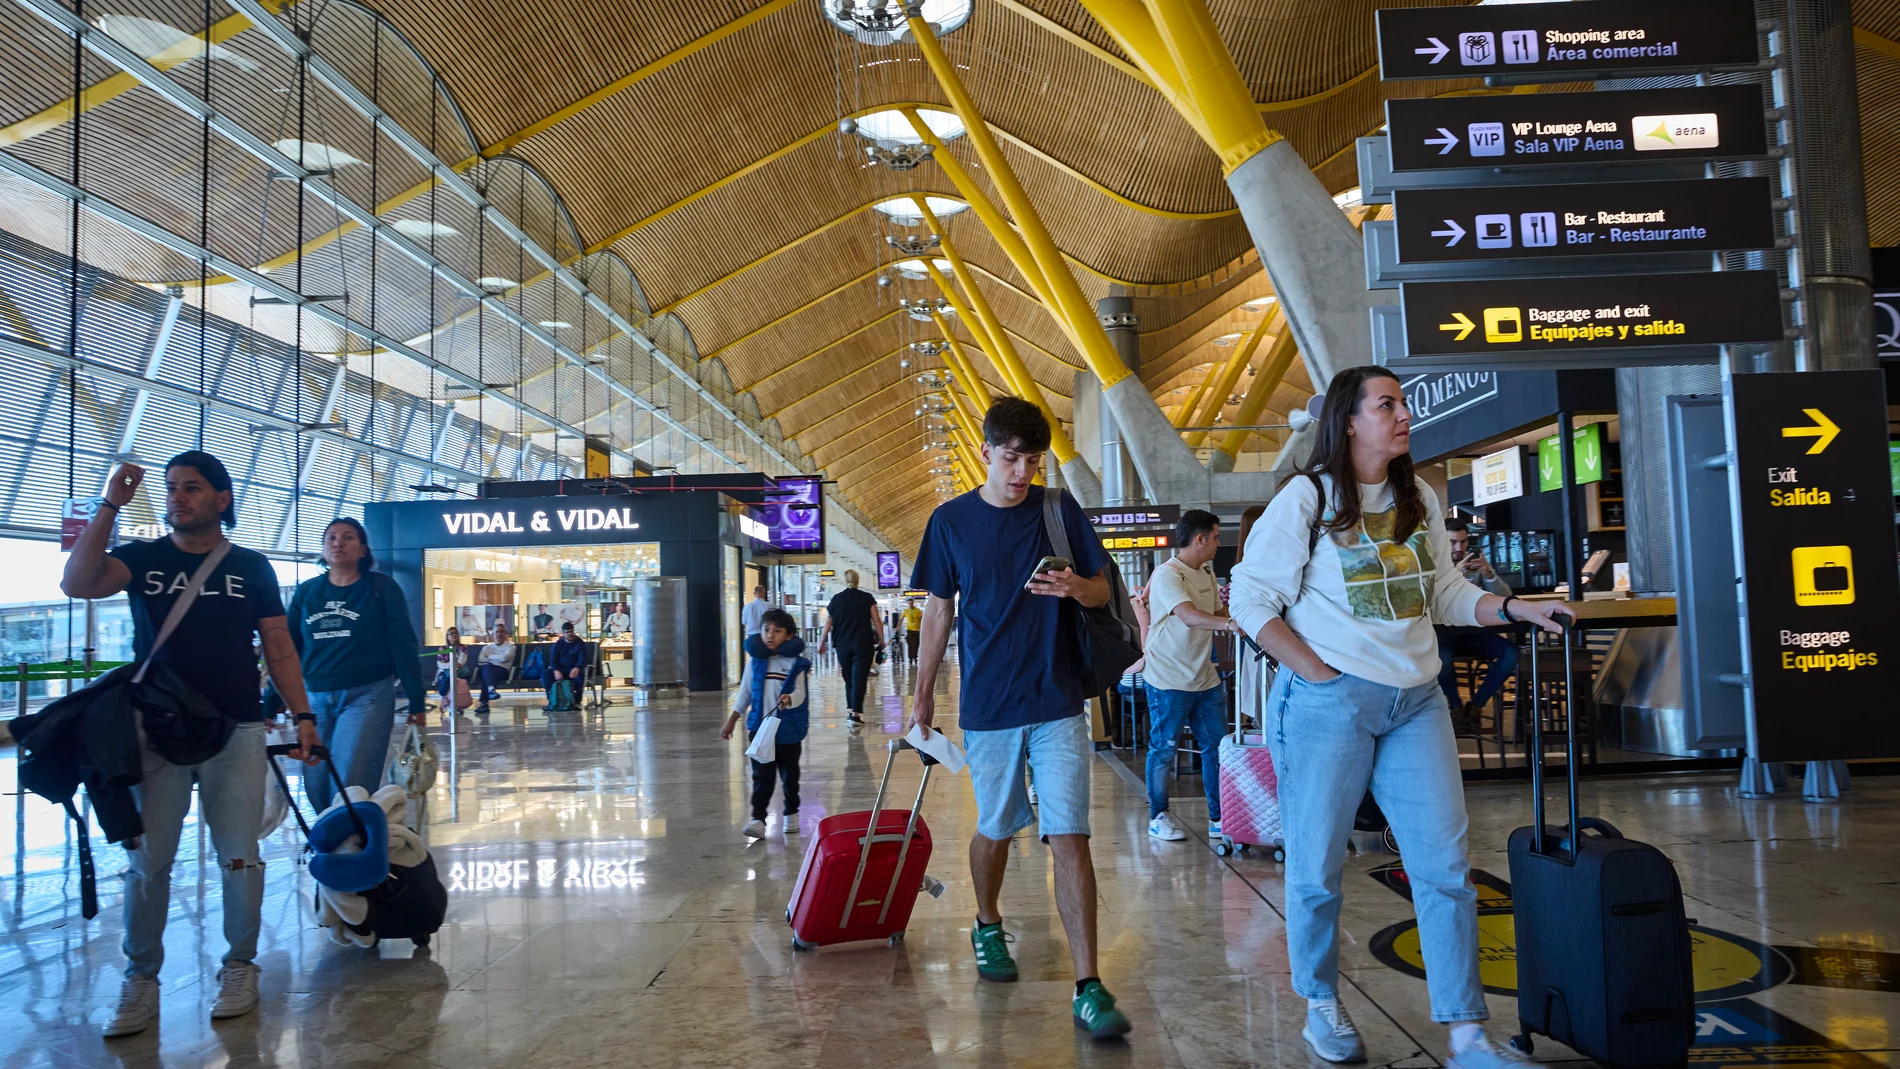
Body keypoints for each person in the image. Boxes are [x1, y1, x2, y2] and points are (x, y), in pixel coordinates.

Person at [1228, 365, 1570, 1069]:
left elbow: (1443, 592)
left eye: (1404, 402)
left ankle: (1467, 1035)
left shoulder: (1420, 496)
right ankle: (1320, 1001)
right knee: (1318, 866)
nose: (1403, 413)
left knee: (1443, 867)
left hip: (1416, 700)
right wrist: (1315, 671)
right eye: (1387, 404)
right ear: (1348, 421)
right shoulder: (1308, 498)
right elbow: (1250, 599)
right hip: (1329, 704)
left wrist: (1510, 608)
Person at [61, 452, 321, 1036]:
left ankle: (239, 965)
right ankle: (141, 978)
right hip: (159, 730)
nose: (179, 498)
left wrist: (302, 714)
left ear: (222, 499)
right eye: (174, 489)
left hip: (236, 727)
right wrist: (110, 505)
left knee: (239, 855)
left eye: (193, 489)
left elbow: (277, 645)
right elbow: (78, 582)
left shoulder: (251, 568)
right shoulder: (143, 558)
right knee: (148, 859)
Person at [909, 396, 1132, 1040]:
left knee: (1070, 836)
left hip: (1059, 699)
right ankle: (986, 921)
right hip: (989, 705)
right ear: (984, 452)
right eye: (1011, 458)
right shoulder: (949, 522)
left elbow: (1101, 589)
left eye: (1033, 460)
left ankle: (1089, 985)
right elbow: (939, 612)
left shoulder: (1058, 510)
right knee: (998, 828)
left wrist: (1073, 589)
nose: (1022, 472)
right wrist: (924, 695)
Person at [280, 517, 427, 811]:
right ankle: (333, 842)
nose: (338, 543)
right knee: (316, 782)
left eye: (348, 537)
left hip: (367, 695)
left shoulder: (381, 588)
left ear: (363, 550)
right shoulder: (307, 592)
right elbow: (286, 648)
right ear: (323, 550)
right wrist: (273, 700)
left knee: (348, 784)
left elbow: (403, 644)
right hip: (315, 699)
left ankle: (351, 845)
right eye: (331, 538)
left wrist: (416, 699)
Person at [1140, 509, 1238, 844]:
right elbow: (1189, 617)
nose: (1217, 544)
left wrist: (1244, 608)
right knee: (1163, 749)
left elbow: (1214, 613)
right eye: (1215, 537)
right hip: (1168, 678)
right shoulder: (1169, 575)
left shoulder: (1207, 570)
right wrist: (1228, 624)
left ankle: (1218, 818)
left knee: (1216, 747)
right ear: (1199, 539)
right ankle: (1158, 816)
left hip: (1204, 677)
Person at [721, 608, 810, 839]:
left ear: (789, 635)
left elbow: (801, 692)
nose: (770, 635)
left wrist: (790, 699)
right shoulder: (755, 662)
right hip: (760, 729)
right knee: (761, 776)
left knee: (790, 775)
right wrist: (732, 720)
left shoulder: (795, 663)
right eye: (766, 630)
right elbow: (745, 693)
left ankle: (791, 813)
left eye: (777, 631)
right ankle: (758, 819)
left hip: (788, 731)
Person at [1436, 517, 1519, 731]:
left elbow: (1506, 599)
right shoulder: (1432, 565)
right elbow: (1431, 603)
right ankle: (1455, 708)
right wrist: (1455, 576)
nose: (1459, 548)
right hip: (1442, 636)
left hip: (1474, 634)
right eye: (1453, 542)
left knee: (1511, 653)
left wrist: (1488, 574)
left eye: (1463, 542)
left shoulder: (1474, 566)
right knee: (1441, 659)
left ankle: (1475, 706)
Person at [818, 568, 883, 725]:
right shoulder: (867, 598)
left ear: (844, 580)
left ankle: (852, 711)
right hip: (863, 644)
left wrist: (822, 641)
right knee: (859, 677)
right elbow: (877, 620)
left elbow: (828, 622)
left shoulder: (837, 599)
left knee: (849, 678)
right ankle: (855, 714)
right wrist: (882, 640)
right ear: (858, 581)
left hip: (842, 645)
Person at [544, 621, 586, 709]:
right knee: (546, 675)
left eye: (572, 631)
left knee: (580, 675)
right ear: (563, 633)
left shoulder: (579, 643)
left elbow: (582, 659)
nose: (570, 634)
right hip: (561, 670)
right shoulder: (558, 644)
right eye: (567, 632)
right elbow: (553, 660)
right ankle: (551, 698)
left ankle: (576, 700)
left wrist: (577, 668)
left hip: (574, 669)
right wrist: (556, 670)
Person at [474, 623, 515, 713]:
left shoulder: (511, 646)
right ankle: (491, 690)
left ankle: (484, 703)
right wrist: (498, 657)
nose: (499, 634)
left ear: (505, 633)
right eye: (497, 632)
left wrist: (489, 657)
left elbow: (505, 658)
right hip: (487, 671)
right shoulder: (487, 648)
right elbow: (480, 660)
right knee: (487, 668)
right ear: (493, 634)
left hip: (502, 671)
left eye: (501, 631)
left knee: (487, 671)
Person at [434, 626, 468, 711]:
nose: (454, 635)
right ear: (447, 636)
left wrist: (451, 666)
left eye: (455, 633)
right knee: (450, 677)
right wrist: (451, 665)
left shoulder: (463, 647)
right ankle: (453, 703)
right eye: (451, 633)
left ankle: (444, 697)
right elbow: (440, 664)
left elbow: (461, 663)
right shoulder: (442, 648)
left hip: (459, 671)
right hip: (446, 671)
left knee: (452, 676)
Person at [901, 599, 923, 663]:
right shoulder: (906, 611)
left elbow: (921, 619)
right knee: (910, 644)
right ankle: (910, 658)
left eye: (911, 603)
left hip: (917, 630)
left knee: (916, 644)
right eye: (909, 603)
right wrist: (897, 627)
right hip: (909, 629)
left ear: (913, 603)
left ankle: (915, 656)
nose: (910, 605)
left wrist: (920, 627)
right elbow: (901, 619)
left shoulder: (918, 611)